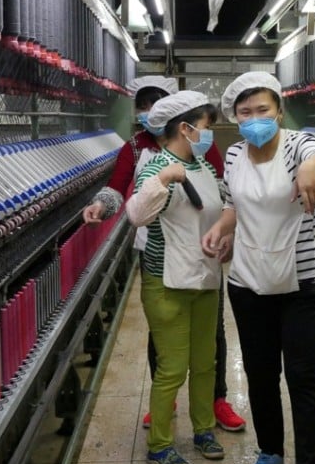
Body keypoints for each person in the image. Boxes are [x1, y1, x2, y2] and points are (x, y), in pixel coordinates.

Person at [201, 72, 315, 464]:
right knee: (260, 373)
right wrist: (222, 230)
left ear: (279, 110)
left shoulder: (299, 145)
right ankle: (271, 453)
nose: (255, 119)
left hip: (305, 280)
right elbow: (232, 205)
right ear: (234, 119)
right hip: (249, 279)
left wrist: (312, 170)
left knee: (302, 375)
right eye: (246, 113)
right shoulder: (236, 153)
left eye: (263, 110)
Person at [82, 76, 245, 433]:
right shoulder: (137, 148)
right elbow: (119, 189)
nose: (148, 112)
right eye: (143, 105)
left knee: (210, 338)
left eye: (156, 104)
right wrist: (101, 205)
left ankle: (216, 399)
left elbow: (219, 190)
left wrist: (227, 228)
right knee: (166, 337)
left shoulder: (202, 152)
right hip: (159, 251)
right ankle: (165, 400)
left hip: (202, 253)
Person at [126, 91, 231, 464]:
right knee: (173, 366)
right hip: (166, 280)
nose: (210, 135)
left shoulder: (204, 167)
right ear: (185, 128)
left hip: (205, 277)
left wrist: (226, 241)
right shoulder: (156, 166)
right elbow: (136, 214)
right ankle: (160, 445)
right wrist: (163, 179)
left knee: (206, 361)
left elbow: (218, 213)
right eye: (205, 127)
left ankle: (203, 430)